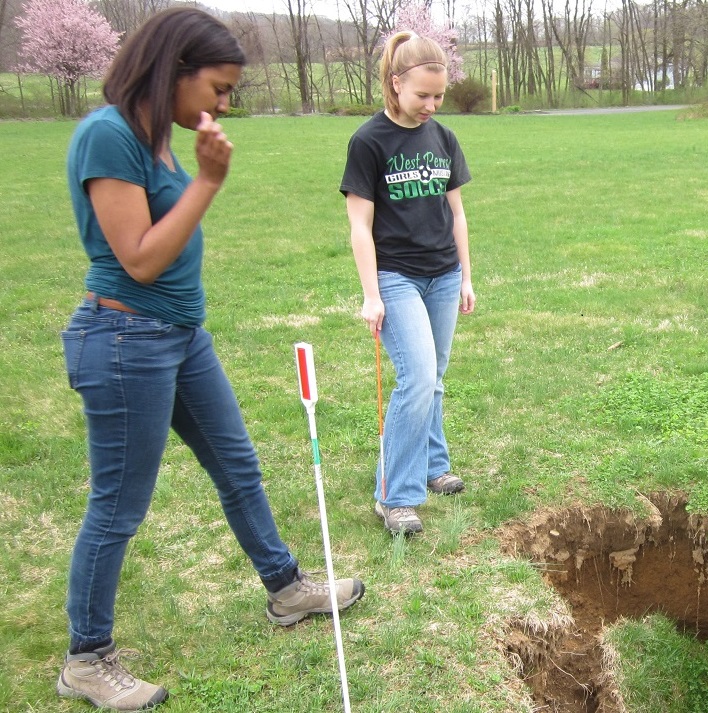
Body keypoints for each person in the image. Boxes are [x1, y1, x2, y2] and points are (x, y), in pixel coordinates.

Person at [59, 9, 365, 710]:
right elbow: (138, 259)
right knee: (118, 506)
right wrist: (207, 183)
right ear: (173, 70)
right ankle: (86, 656)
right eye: (219, 87)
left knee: (237, 464)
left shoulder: (157, 137)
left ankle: (286, 588)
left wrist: (195, 175)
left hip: (179, 336)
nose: (225, 103)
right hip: (123, 339)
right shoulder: (106, 135)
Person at [341, 31, 475, 535]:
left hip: (443, 274)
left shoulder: (442, 137)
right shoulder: (368, 142)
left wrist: (465, 275)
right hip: (396, 276)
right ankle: (394, 496)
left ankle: (433, 465)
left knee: (434, 377)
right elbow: (359, 226)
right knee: (416, 378)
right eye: (423, 95)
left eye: (438, 97)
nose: (431, 105)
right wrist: (371, 294)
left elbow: (457, 212)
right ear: (396, 84)